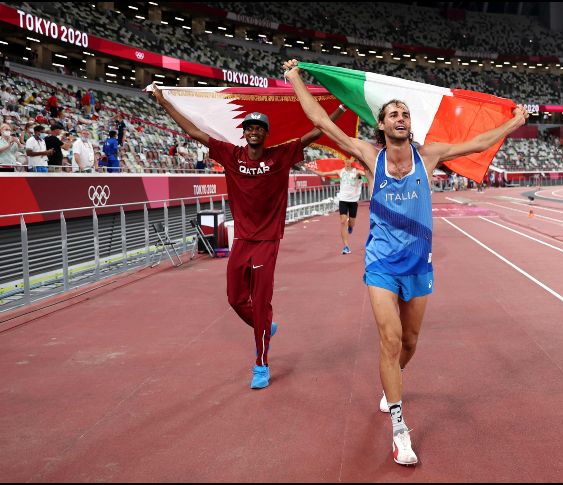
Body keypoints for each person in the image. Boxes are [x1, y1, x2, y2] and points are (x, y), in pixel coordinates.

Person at [284, 58, 528, 466]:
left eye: (405, 114)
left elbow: (479, 144)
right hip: (381, 261)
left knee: (410, 343)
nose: (401, 118)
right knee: (390, 339)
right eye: (394, 114)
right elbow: (323, 122)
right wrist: (295, 79)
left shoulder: (428, 155)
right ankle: (399, 428)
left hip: (419, 263)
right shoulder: (369, 154)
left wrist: (513, 123)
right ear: (381, 125)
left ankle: (390, 381)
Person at [152, 84, 346, 390]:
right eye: (249, 127)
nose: (254, 131)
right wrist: (164, 103)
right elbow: (193, 132)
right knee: (234, 298)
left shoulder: (280, 156)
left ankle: (261, 364)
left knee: (260, 303)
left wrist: (340, 109)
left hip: (268, 241)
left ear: (266, 134)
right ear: (244, 133)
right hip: (242, 238)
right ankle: (266, 328)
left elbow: (314, 133)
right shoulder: (230, 154)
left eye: (259, 128)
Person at [308, 158, 366, 254]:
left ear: (352, 162)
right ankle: (346, 246)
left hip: (353, 201)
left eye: (349, 161)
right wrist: (311, 169)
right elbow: (323, 174)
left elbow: (364, 174)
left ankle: (350, 226)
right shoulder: (340, 171)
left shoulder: (356, 172)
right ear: (344, 162)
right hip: (343, 200)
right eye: (346, 161)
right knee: (343, 222)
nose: (347, 163)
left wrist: (361, 171)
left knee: (352, 223)